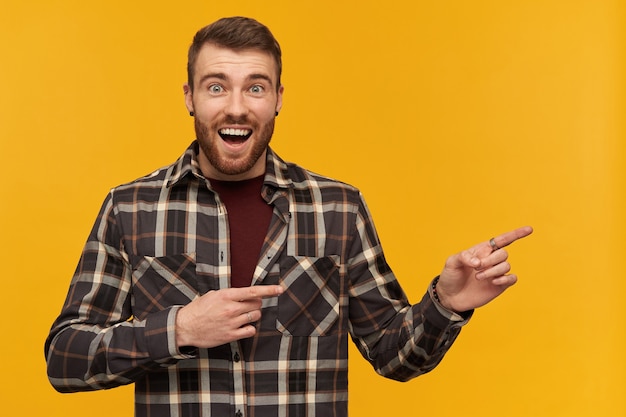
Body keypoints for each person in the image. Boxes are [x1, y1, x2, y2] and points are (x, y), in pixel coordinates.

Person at [45, 16, 533, 417]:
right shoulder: (130, 208)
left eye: (255, 88)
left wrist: (446, 304)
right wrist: (178, 330)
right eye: (216, 87)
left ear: (278, 98)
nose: (236, 107)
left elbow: (393, 355)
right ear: (190, 97)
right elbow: (64, 359)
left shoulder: (338, 208)